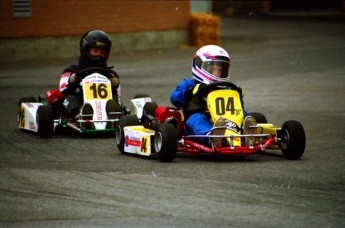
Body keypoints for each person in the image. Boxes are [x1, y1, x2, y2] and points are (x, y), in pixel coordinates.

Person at [170, 45, 251, 147]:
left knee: (243, 113)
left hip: (223, 120)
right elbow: (174, 98)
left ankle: (247, 133)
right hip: (197, 119)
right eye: (212, 69)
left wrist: (238, 97)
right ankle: (212, 137)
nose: (216, 74)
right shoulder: (189, 84)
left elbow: (235, 110)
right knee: (197, 119)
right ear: (199, 65)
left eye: (220, 70)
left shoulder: (226, 88)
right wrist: (189, 93)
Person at [58, 29, 120, 119]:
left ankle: (112, 114)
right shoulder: (73, 70)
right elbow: (63, 89)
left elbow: (118, 93)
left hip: (105, 103)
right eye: (95, 51)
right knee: (70, 98)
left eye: (102, 52)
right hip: (81, 101)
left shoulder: (110, 73)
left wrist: (115, 83)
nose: (99, 55)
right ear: (85, 50)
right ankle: (81, 113)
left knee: (114, 98)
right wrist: (72, 80)